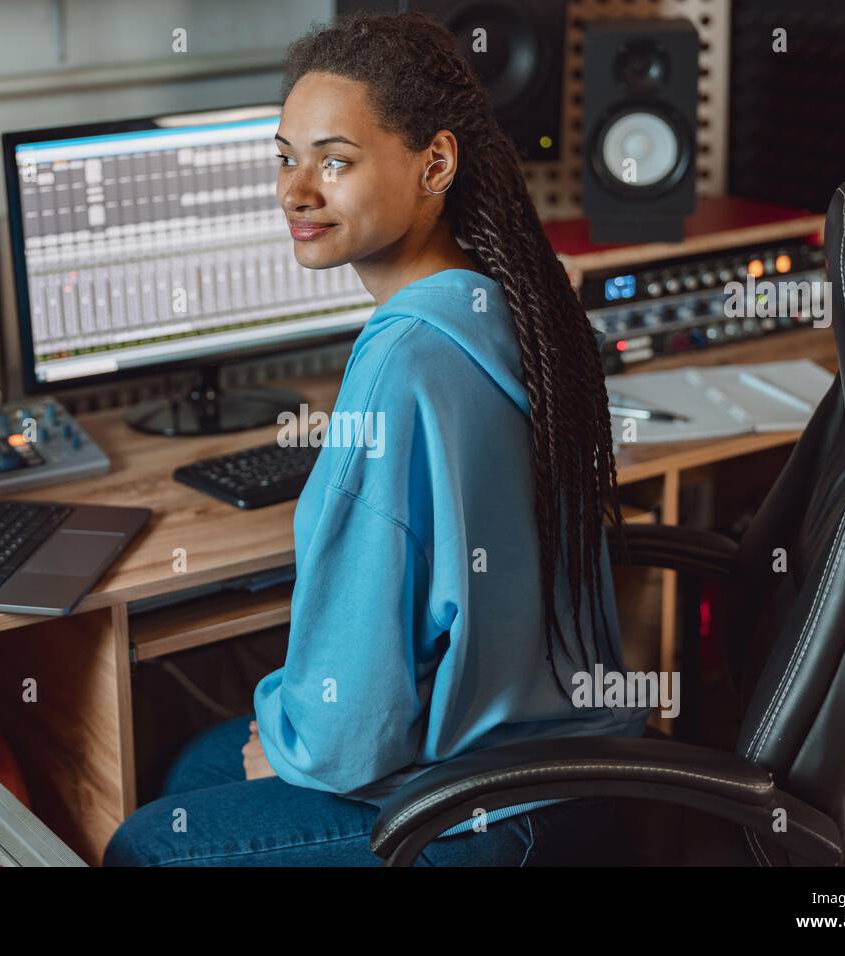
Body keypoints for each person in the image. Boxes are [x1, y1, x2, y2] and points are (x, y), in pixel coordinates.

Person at [105, 10, 648, 867]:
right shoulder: (508, 302)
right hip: (575, 753)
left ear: (435, 164)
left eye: (335, 161)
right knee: (193, 764)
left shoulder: (402, 363)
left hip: (489, 806)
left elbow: (351, 732)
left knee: (147, 845)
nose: (295, 191)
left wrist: (289, 747)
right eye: (285, 158)